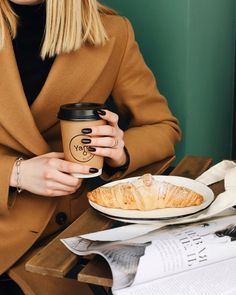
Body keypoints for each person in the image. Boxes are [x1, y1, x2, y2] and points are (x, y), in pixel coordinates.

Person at [0, 0, 181, 294]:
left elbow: (163, 127)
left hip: (66, 238)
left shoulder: (111, 33)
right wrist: (14, 173)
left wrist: (119, 151)